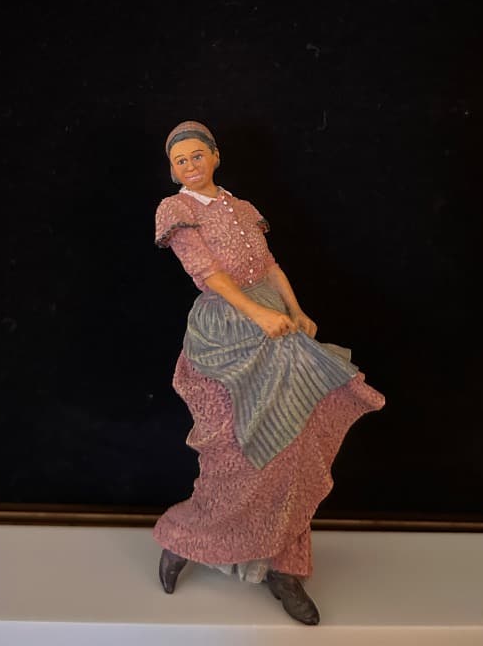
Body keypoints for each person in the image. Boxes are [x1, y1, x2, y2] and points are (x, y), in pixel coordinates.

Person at [153, 120, 385, 626]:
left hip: (276, 322)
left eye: (197, 155)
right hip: (226, 331)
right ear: (172, 170)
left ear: (216, 156)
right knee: (237, 450)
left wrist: (295, 310)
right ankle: (186, 540)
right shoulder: (177, 210)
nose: (190, 165)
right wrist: (258, 315)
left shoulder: (242, 208)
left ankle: (285, 567)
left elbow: (271, 266)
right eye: (179, 160)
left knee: (293, 444)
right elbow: (208, 274)